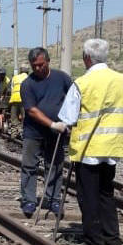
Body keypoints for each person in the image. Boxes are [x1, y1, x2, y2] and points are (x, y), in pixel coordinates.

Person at [56, 38, 123, 245]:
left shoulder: (82, 83)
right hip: (111, 148)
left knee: (87, 195)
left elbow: (67, 118)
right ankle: (112, 240)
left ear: (86, 57)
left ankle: (93, 241)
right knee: (106, 193)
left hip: (88, 148)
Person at [19, 47, 72, 217]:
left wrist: (69, 120)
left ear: (48, 61)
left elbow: (73, 98)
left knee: (55, 165)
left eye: (40, 64)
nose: (37, 68)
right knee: (29, 165)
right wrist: (52, 124)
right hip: (33, 131)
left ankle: (53, 199)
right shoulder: (27, 84)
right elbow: (32, 110)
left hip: (57, 132)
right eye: (34, 65)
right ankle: (28, 200)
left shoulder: (62, 78)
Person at [9, 67, 29, 139]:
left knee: (14, 117)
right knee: (25, 117)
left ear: (20, 71)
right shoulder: (29, 78)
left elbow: (11, 89)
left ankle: (14, 134)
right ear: (27, 72)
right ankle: (23, 133)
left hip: (14, 99)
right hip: (24, 100)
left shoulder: (15, 77)